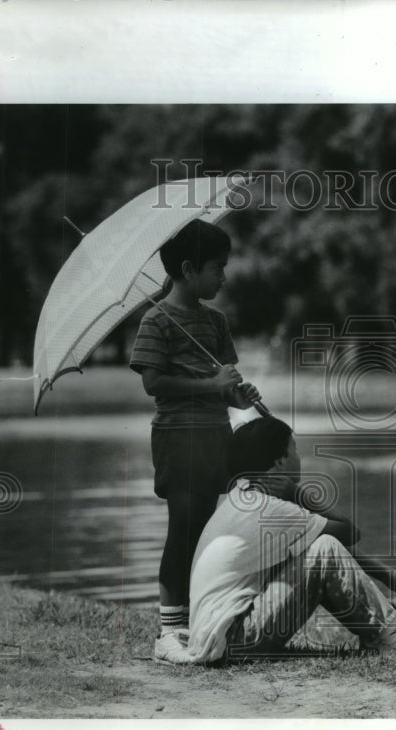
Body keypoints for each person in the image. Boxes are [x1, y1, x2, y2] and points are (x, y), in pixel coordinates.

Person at [178, 416, 396, 664]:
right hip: (235, 640)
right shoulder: (270, 508)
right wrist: (299, 494)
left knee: (318, 548)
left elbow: (316, 541)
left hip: (218, 640)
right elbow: (348, 532)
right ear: (279, 462)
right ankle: (395, 641)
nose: (299, 458)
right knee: (324, 550)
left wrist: (385, 574)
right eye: (295, 449)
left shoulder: (241, 497)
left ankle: (383, 636)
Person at [129, 219, 262, 664]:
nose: (224, 276)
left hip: (214, 437)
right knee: (183, 525)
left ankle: (201, 618)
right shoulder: (156, 322)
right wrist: (211, 385)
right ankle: (170, 631)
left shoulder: (215, 322)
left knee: (209, 530)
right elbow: (153, 384)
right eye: (216, 268)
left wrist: (236, 394)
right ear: (188, 269)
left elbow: (223, 383)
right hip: (177, 437)